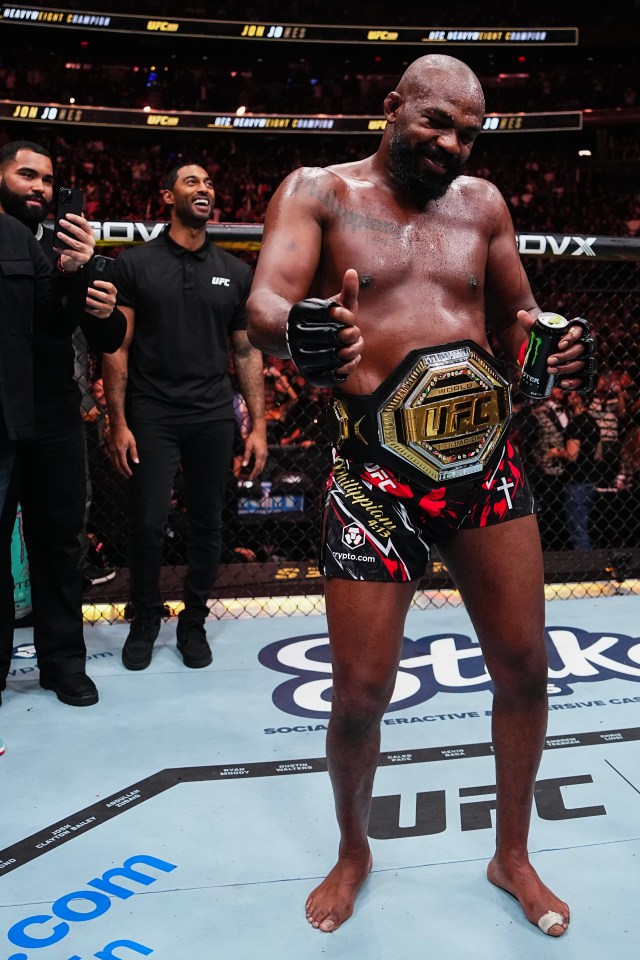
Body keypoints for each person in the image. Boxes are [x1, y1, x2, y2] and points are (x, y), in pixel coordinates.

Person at [247, 55, 595, 937]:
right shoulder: (318, 192)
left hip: (485, 464)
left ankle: (511, 854)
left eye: (468, 133)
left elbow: (522, 321)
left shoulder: (483, 206)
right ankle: (354, 850)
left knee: (524, 668)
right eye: (436, 122)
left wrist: (549, 351)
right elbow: (264, 303)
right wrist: (306, 329)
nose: (451, 145)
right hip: (373, 473)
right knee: (361, 692)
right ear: (393, 106)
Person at [103, 162, 267, 671]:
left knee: (207, 526)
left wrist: (258, 425)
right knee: (149, 524)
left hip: (213, 415)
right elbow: (117, 347)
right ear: (166, 195)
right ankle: (146, 619)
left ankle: (193, 621)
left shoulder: (236, 271)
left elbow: (245, 352)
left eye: (210, 182)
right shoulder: (134, 265)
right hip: (151, 413)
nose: (204, 188)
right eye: (191, 181)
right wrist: (118, 421)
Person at [0, 140, 126, 708]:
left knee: (59, 546)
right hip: (0, 414)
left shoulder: (67, 246)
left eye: (49, 180)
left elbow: (101, 335)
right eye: (27, 174)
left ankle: (63, 665)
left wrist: (85, 286)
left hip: (55, 414)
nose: (41, 188)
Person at [548, 391, 602, 549]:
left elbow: (572, 455)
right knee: (586, 525)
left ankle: (585, 566)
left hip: (576, 480)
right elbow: (599, 454)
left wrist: (556, 452)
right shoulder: (593, 422)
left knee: (578, 529)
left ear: (577, 399)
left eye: (571, 395)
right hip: (591, 478)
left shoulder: (576, 423)